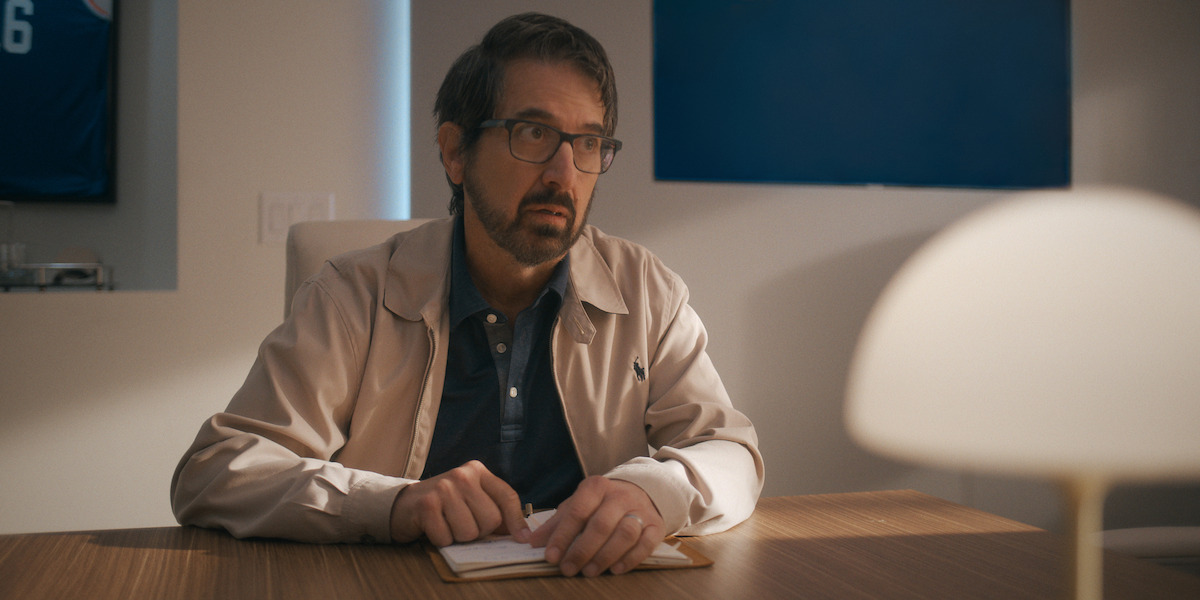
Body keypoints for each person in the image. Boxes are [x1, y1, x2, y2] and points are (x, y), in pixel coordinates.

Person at [171, 12, 763, 578]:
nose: (564, 171)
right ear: (455, 152)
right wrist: (393, 505)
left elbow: (731, 452)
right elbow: (215, 473)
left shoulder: (646, 290)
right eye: (534, 133)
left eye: (587, 143)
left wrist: (653, 490)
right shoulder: (353, 297)